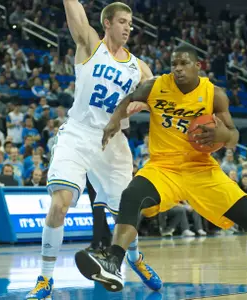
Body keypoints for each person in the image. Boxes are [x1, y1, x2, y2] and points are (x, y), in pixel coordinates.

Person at [73, 46, 247, 297]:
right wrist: (116, 120)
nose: (178, 69)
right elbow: (129, 99)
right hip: (164, 167)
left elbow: (233, 135)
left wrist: (223, 135)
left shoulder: (214, 95)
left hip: (201, 169)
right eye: (174, 64)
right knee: (131, 196)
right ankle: (113, 263)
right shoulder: (155, 86)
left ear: (198, 66)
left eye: (184, 63)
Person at [25, 1, 160, 299]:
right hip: (78, 133)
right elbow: (74, 12)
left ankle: (135, 258)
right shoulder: (89, 45)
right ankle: (45, 279)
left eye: (131, 23)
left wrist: (141, 104)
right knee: (59, 203)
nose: (127, 27)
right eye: (122, 21)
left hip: (113, 142)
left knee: (125, 213)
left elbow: (158, 100)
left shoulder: (140, 68)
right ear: (107, 23)